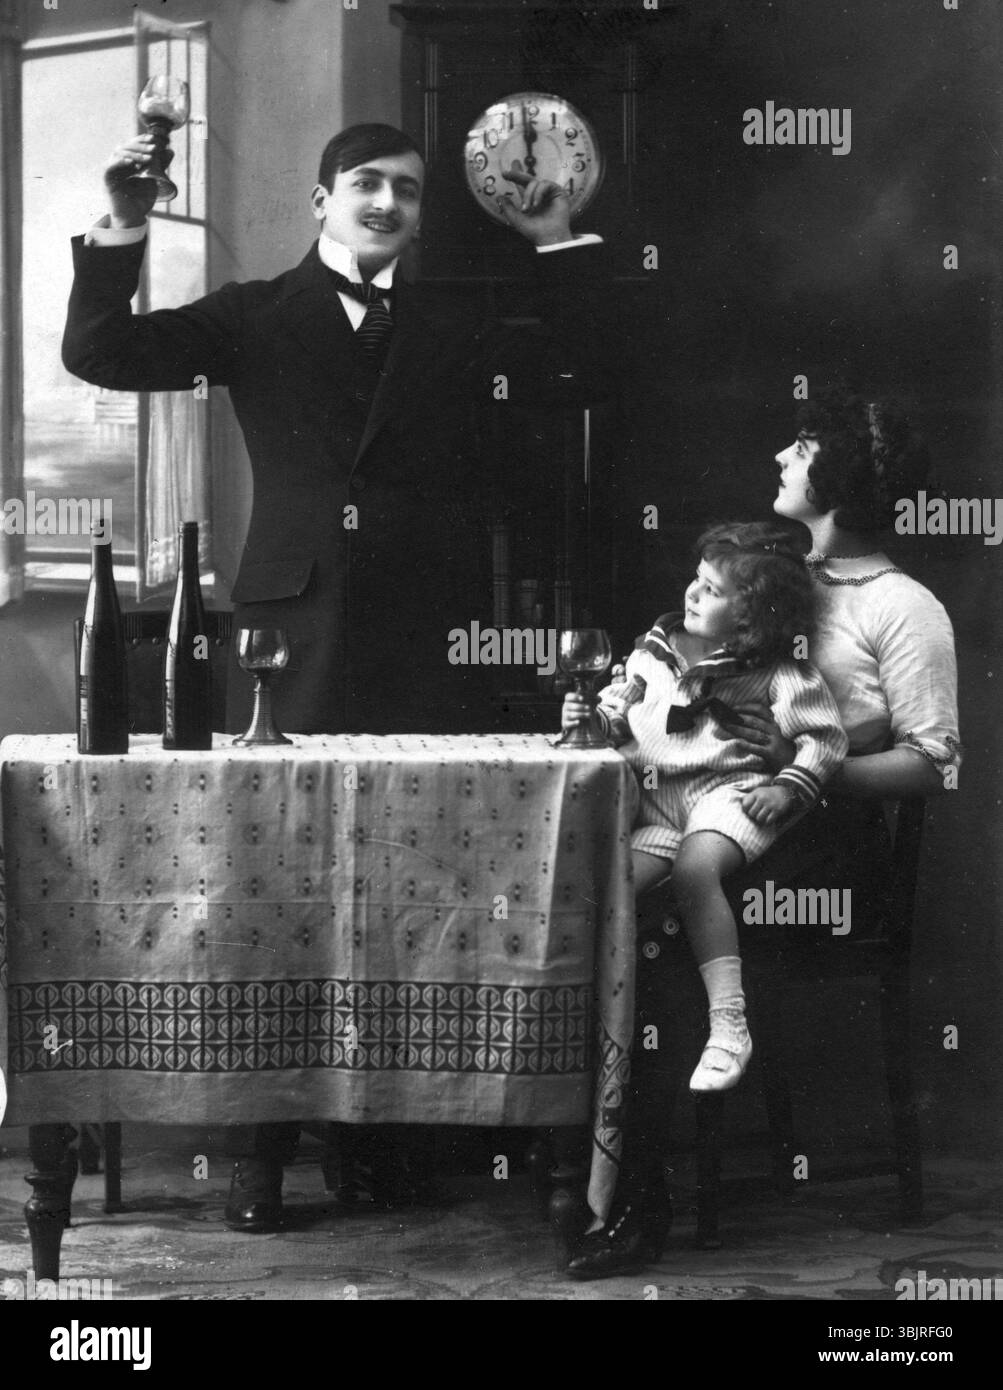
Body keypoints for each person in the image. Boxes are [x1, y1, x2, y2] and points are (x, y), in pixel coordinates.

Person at [61, 122, 616, 1233]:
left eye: (407, 191)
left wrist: (555, 236)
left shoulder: (455, 315)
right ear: (321, 200)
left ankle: (390, 1148)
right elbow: (101, 353)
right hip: (290, 626)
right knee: (269, 883)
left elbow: (586, 369)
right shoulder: (253, 312)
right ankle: (258, 1157)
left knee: (423, 885)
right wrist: (122, 225)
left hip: (433, 630)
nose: (388, 203)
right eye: (365, 184)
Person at [565, 384, 962, 1280]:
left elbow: (933, 762)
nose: (782, 458)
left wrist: (799, 775)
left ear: (838, 478)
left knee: (661, 917)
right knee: (602, 897)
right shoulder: (762, 580)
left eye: (801, 448)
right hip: (718, 822)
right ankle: (582, 1166)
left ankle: (636, 1204)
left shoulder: (902, 607)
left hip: (816, 850)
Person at [562, 521, 848, 1097]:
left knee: (696, 870)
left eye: (712, 591)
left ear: (750, 618)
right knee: (605, 886)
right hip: (657, 805)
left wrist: (788, 786)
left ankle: (728, 1024)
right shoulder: (654, 652)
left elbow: (824, 739)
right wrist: (589, 721)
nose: (692, 593)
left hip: (730, 793)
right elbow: (618, 712)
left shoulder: (778, 670)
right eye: (696, 580)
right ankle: (590, 1035)